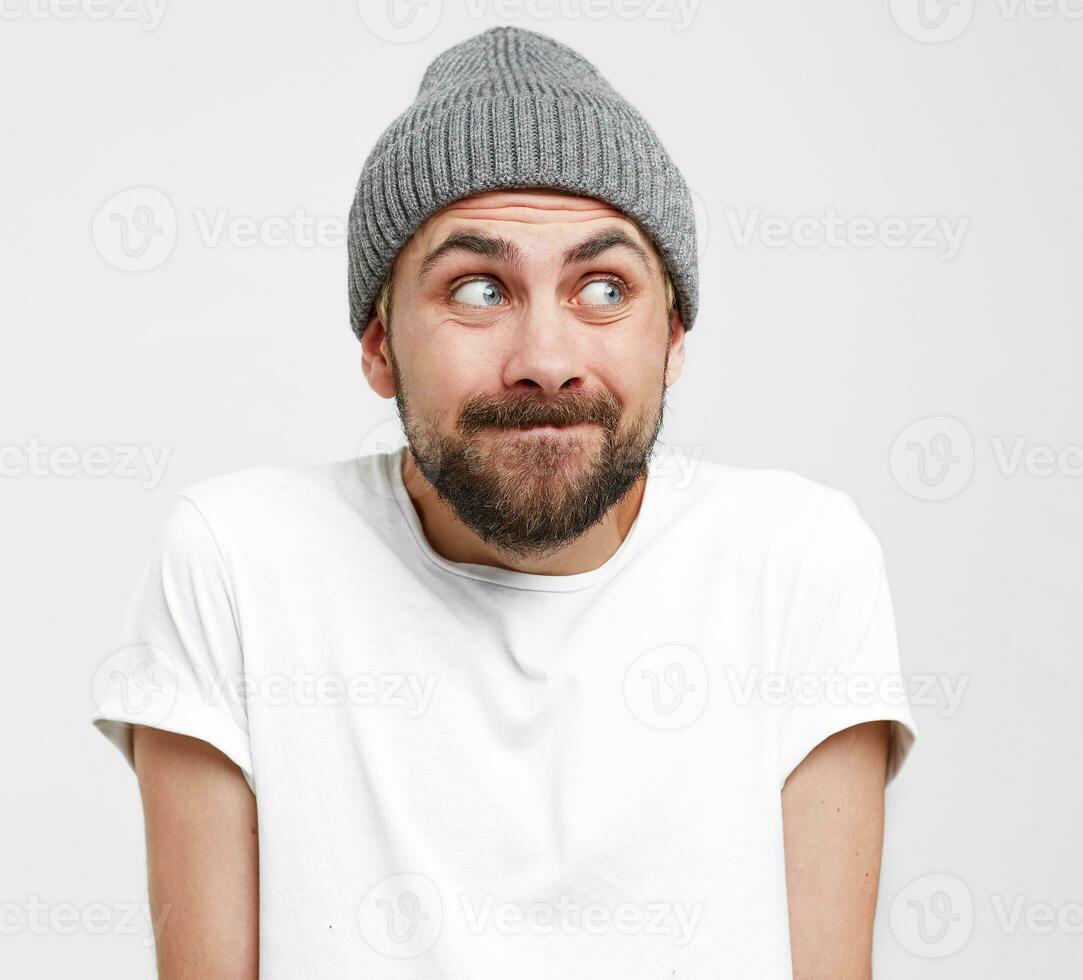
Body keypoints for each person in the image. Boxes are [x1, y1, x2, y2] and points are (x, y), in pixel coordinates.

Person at [91, 24, 917, 979]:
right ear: (378, 345)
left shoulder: (797, 561)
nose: (546, 362)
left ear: (674, 339)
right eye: (479, 289)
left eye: (603, 288)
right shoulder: (237, 561)